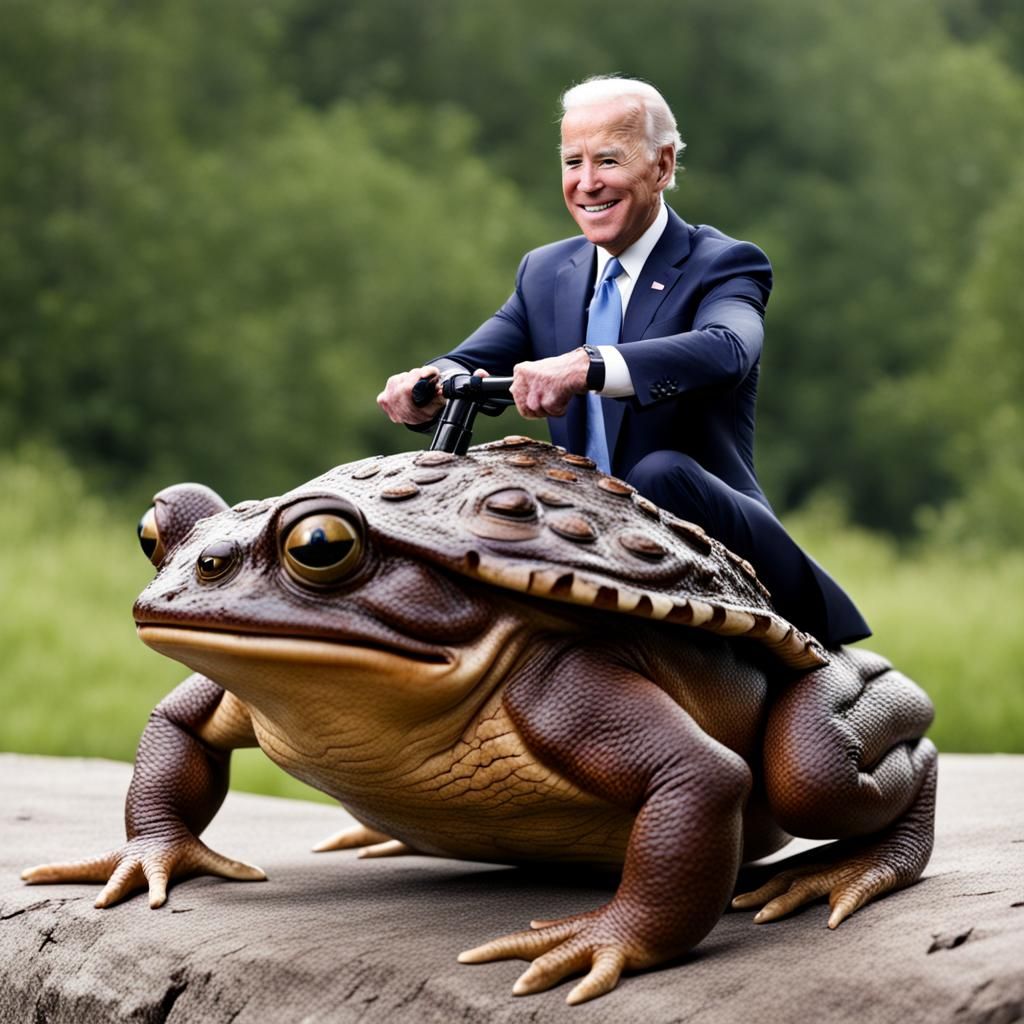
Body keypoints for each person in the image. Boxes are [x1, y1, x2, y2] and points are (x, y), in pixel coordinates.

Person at [377, 75, 869, 648]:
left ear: (662, 166)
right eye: (572, 163)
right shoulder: (544, 272)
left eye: (608, 160)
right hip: (578, 544)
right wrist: (426, 384)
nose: (587, 184)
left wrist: (587, 365)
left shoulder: (724, 264)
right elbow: (467, 360)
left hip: (705, 538)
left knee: (658, 470)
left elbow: (728, 348)